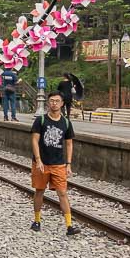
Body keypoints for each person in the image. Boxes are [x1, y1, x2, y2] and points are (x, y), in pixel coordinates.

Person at [30, 92, 79, 236]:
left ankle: (69, 226)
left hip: (58, 163)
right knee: (39, 191)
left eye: (57, 101)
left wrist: (68, 163)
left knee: (62, 193)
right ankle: (37, 220)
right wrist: (38, 160)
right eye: (51, 101)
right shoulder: (41, 120)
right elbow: (34, 140)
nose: (54, 103)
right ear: (48, 103)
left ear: (62, 103)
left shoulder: (66, 122)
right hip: (42, 163)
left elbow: (69, 143)